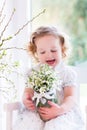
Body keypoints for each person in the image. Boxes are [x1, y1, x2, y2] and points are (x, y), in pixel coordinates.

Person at [13, 26, 85, 130]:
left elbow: (70, 97)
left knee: (57, 126)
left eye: (54, 50)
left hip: (61, 111)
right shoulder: (33, 73)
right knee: (29, 125)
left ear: (62, 50)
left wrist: (60, 110)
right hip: (37, 111)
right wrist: (26, 98)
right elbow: (28, 91)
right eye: (42, 52)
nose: (49, 55)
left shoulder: (66, 73)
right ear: (36, 54)